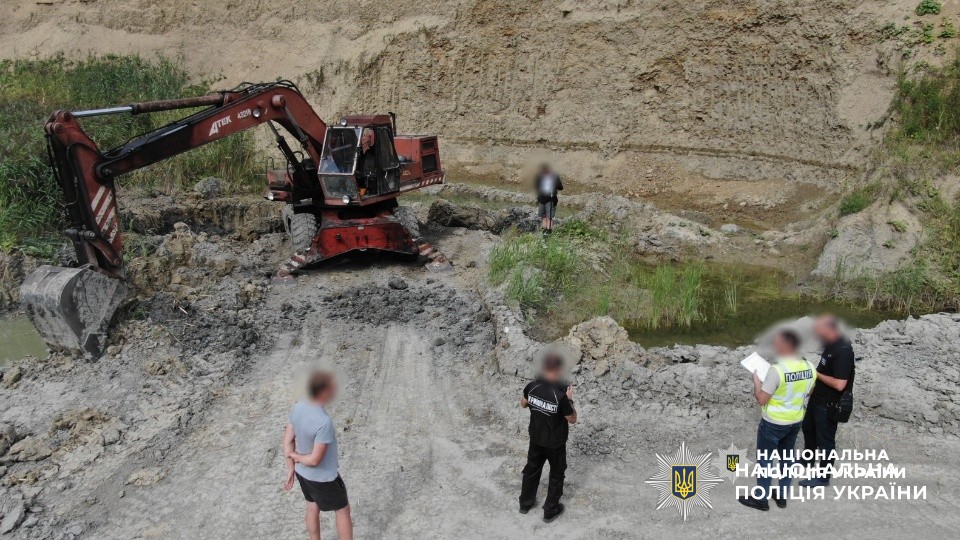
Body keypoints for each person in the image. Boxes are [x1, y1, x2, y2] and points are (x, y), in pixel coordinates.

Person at [739, 330, 816, 511]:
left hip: (773, 423)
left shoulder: (777, 370)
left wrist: (757, 381)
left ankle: (761, 500)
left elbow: (762, 400)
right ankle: (781, 497)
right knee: (787, 459)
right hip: (795, 420)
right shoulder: (810, 367)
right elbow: (809, 392)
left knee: (765, 461)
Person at [283, 370, 353, 540]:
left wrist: (291, 467)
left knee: (312, 506)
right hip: (324, 477)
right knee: (343, 510)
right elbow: (315, 460)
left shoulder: (298, 407)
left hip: (303, 475)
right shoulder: (324, 422)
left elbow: (287, 440)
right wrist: (297, 457)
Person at [519, 352, 577, 523]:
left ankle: (525, 504)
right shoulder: (561, 396)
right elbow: (572, 419)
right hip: (555, 443)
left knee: (531, 470)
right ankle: (550, 511)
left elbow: (523, 404)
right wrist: (570, 400)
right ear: (559, 370)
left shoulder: (532, 387)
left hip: (536, 438)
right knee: (557, 475)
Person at [799, 315, 855, 488]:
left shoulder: (843, 351)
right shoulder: (831, 344)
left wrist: (814, 373)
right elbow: (825, 369)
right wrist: (811, 391)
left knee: (825, 441)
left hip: (829, 404)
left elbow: (839, 384)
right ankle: (807, 461)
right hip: (818, 399)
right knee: (808, 429)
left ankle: (823, 478)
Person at [534, 163, 563, 236]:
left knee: (549, 217)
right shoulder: (539, 177)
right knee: (543, 217)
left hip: (550, 199)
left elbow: (560, 187)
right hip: (541, 199)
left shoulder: (554, 177)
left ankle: (548, 232)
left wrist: (554, 184)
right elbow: (536, 186)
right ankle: (544, 232)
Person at [356, 129, 377, 196]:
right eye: (362, 136)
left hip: (370, 183)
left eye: (365, 135)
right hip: (361, 181)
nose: (363, 138)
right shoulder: (361, 153)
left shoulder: (373, 155)